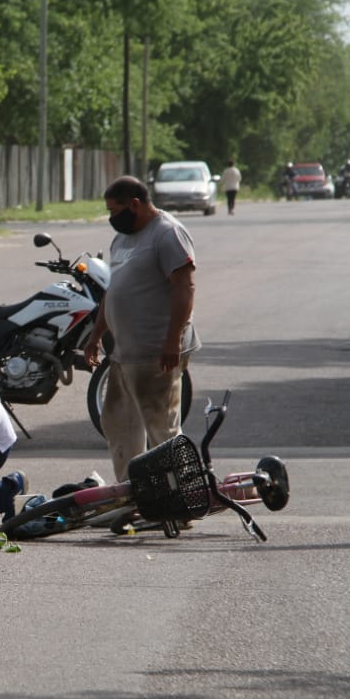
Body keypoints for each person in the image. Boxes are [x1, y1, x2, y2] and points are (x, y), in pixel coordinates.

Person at [84, 175, 200, 483]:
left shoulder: (167, 234)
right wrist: (96, 336)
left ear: (134, 204)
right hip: (123, 353)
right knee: (118, 425)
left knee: (162, 429)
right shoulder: (122, 240)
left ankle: (179, 499)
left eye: (114, 210)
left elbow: (184, 288)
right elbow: (113, 290)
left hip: (155, 352)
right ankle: (132, 496)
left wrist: (173, 340)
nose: (111, 218)